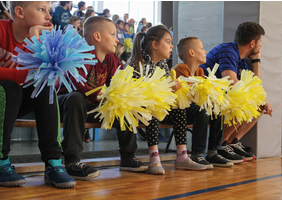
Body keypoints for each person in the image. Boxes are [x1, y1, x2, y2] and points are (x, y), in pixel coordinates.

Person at [56, 16, 149, 180]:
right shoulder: (81, 54)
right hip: (65, 104)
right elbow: (75, 82)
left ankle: (128, 157)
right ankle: (72, 161)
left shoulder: (111, 60)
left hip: (91, 105)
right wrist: (101, 96)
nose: (117, 39)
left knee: (122, 104)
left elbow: (115, 85)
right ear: (97, 36)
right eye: (113, 34)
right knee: (76, 98)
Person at [0, 1, 75, 188]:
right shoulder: (1, 30)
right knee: (11, 87)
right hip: (5, 98)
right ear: (19, 12)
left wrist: (35, 37)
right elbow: (21, 77)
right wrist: (18, 75)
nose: (49, 17)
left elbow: (52, 77)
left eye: (48, 11)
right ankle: (1, 161)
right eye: (42, 10)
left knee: (44, 85)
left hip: (13, 103)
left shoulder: (42, 39)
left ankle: (53, 163)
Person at [129, 25, 206, 175]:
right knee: (154, 108)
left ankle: (182, 156)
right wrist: (166, 89)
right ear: (155, 45)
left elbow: (166, 94)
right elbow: (138, 93)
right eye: (168, 42)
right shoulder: (138, 63)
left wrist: (174, 91)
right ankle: (154, 158)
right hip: (139, 108)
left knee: (179, 108)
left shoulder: (163, 65)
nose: (171, 46)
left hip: (157, 107)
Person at [200, 22, 273, 161]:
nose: (261, 46)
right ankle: (220, 144)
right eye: (260, 42)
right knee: (242, 99)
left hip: (219, 98)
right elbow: (232, 82)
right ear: (252, 43)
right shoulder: (227, 51)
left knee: (258, 106)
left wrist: (256, 60)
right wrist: (260, 98)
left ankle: (231, 143)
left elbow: (255, 86)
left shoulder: (241, 60)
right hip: (204, 98)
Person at [174, 37, 235, 167]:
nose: (205, 52)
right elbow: (190, 95)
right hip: (181, 109)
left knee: (217, 109)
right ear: (192, 53)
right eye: (202, 48)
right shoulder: (180, 68)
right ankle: (197, 153)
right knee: (202, 109)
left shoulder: (200, 71)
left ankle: (213, 151)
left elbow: (202, 94)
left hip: (193, 108)